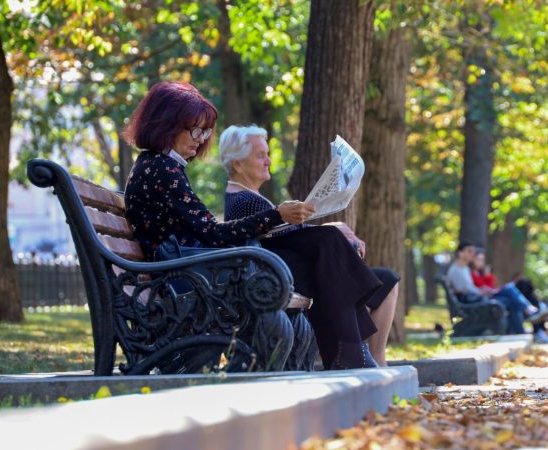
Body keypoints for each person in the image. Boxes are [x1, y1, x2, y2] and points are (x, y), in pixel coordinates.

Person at [123, 81, 381, 370]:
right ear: (167, 124)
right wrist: (277, 215)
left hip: (196, 266)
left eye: (205, 131)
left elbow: (206, 231)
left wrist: (279, 217)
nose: (200, 138)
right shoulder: (161, 169)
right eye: (194, 129)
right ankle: (350, 351)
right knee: (323, 250)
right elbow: (213, 233)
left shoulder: (161, 166)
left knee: (324, 249)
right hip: (187, 273)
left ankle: (350, 351)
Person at [218, 125, 398, 367]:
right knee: (330, 244)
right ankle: (352, 354)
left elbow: (283, 232)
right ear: (238, 164)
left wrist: (329, 227)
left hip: (288, 271)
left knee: (377, 274)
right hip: (276, 277)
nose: (268, 161)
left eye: (268, 153)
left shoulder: (249, 196)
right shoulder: (242, 200)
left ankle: (364, 355)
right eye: (260, 155)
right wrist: (330, 229)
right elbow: (285, 236)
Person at [447, 241, 548, 335]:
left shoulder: (463, 268)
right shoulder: (457, 270)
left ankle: (522, 327)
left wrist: (482, 290)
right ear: (460, 253)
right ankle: (528, 314)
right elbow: (465, 292)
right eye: (469, 251)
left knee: (511, 298)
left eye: (473, 251)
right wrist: (481, 291)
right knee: (509, 290)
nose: (472, 254)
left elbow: (469, 289)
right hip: (474, 302)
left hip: (477, 298)